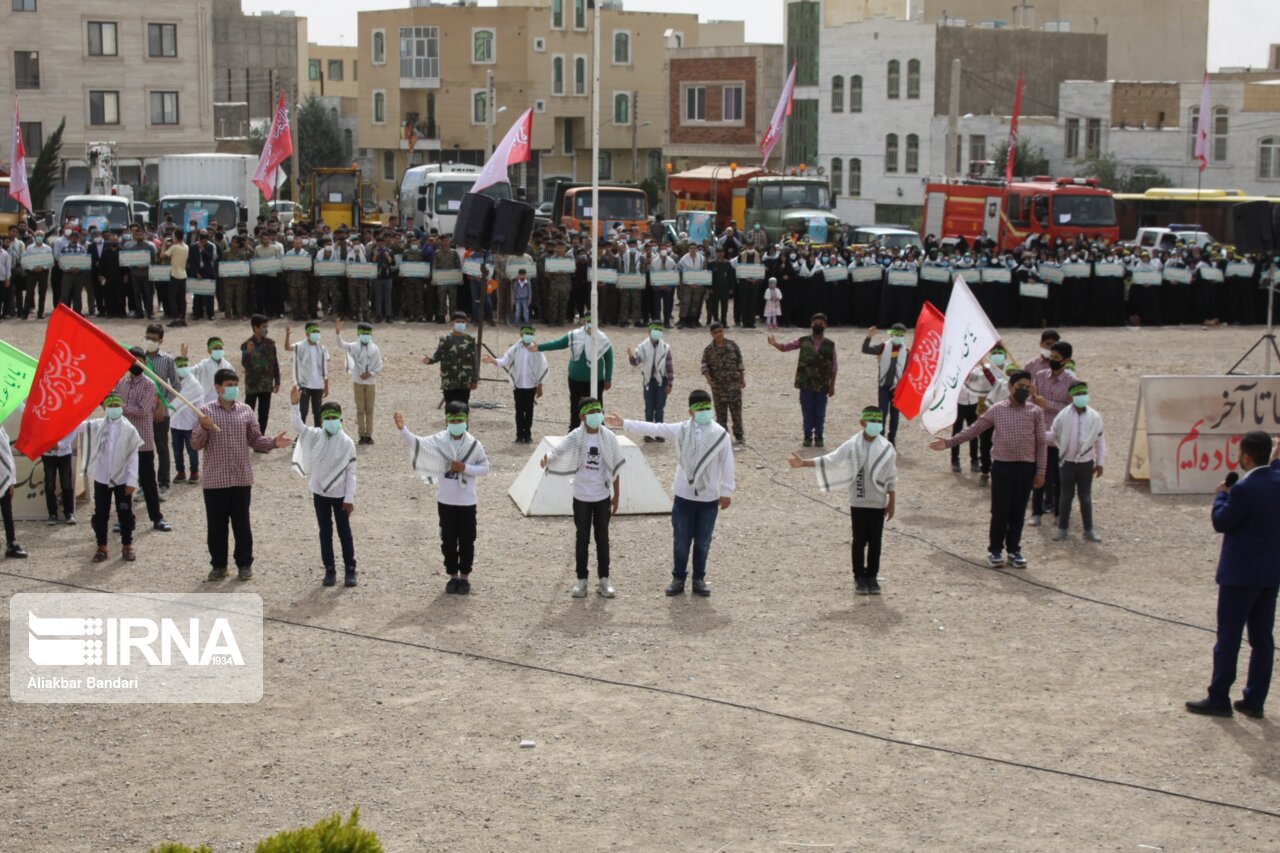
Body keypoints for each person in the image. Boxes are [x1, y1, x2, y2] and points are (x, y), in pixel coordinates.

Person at [605, 389, 735, 596]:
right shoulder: (682, 429)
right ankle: (678, 577)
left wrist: (727, 490)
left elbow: (728, 464)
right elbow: (657, 428)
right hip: (684, 494)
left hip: (709, 496)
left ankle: (699, 579)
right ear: (691, 412)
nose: (704, 412)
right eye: (700, 409)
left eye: (707, 408)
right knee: (681, 540)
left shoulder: (720, 434)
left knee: (702, 541)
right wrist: (624, 423)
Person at [1186, 433, 1280, 719]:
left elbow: (1221, 522)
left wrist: (1221, 496)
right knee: (1262, 639)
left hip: (1240, 575)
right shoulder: (1276, 479)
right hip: (1269, 573)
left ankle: (1219, 698)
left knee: (1228, 638)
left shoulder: (1244, 489)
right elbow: (1274, 466)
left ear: (1246, 457)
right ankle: (1254, 700)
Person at [929, 370, 1047, 569]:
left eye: (1027, 388)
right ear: (1010, 387)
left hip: (1026, 468)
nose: (1023, 391)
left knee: (1018, 511)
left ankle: (1014, 550)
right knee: (1000, 510)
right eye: (1020, 387)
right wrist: (949, 443)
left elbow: (1042, 443)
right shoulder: (997, 410)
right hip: (1002, 467)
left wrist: (1041, 471)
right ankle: (995, 550)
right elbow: (974, 429)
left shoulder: (1035, 412)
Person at [190, 368, 292, 581]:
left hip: (240, 478)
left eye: (235, 385)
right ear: (218, 388)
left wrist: (273, 442)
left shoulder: (245, 411)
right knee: (216, 527)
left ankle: (244, 564)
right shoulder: (205, 412)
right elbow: (195, 444)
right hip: (215, 480)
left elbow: (255, 439)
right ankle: (219, 565)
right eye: (229, 385)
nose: (233, 389)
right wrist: (203, 427)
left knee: (242, 524)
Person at [789, 405, 897, 594]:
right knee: (859, 540)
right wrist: (804, 463)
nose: (876, 426)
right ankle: (859, 578)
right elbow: (832, 459)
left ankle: (872, 576)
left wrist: (892, 503)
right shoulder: (853, 445)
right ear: (862, 423)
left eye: (879, 422)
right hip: (859, 501)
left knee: (876, 541)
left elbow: (891, 477)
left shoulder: (887, 447)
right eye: (872, 422)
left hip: (878, 502)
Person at [396, 402, 490, 595]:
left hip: (466, 501)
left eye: (460, 420)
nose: (456, 423)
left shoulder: (474, 444)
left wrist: (465, 468)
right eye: (453, 420)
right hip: (446, 501)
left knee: (466, 539)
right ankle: (452, 575)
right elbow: (418, 443)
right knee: (448, 540)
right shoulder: (439, 440)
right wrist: (403, 429)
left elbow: (485, 468)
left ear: (467, 420)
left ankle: (464, 576)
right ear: (447, 421)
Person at [541, 398, 622, 598]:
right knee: (582, 538)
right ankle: (582, 580)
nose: (596, 415)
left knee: (602, 538)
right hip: (582, 497)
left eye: (599, 410)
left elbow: (616, 467)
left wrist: (616, 495)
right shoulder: (577, 436)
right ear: (582, 416)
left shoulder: (609, 437)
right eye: (591, 411)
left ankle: (604, 579)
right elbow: (559, 450)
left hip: (602, 496)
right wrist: (547, 459)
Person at [290, 388, 358, 588]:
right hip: (319, 493)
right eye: (326, 417)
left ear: (341, 419)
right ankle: (330, 569)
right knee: (325, 532)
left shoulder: (347, 443)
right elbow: (298, 426)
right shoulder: (315, 435)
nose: (330, 420)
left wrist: (349, 498)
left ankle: (350, 569)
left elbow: (351, 473)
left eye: (334, 417)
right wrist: (295, 405)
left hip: (340, 496)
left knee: (344, 532)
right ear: (321, 419)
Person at [78, 395, 144, 563]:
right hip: (102, 478)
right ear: (104, 407)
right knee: (101, 514)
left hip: (122, 480)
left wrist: (131, 481)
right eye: (110, 405)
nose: (113, 408)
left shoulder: (129, 429)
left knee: (125, 513)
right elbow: (77, 427)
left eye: (116, 405)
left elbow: (133, 457)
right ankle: (102, 547)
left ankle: (127, 545)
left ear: (121, 406)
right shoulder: (97, 425)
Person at [113, 348, 172, 533]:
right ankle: (123, 518)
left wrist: (120, 406)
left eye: (139, 360)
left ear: (145, 363)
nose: (136, 363)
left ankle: (157, 518)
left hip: (142, 441)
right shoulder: (121, 383)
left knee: (148, 481)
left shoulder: (149, 385)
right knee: (123, 482)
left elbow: (143, 410)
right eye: (132, 360)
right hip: (123, 440)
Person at [532, 314, 614, 433]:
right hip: (576, 379)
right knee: (575, 405)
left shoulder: (602, 338)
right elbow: (558, 343)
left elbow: (609, 358)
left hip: (596, 380)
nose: (590, 324)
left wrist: (608, 378)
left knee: (596, 405)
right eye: (588, 321)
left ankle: (599, 429)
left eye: (593, 321)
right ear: (584, 322)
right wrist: (539, 347)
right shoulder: (575, 335)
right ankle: (574, 430)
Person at [769, 313, 837, 448]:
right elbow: (786, 347)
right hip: (805, 383)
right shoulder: (803, 340)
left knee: (820, 412)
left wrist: (832, 386)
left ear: (825, 326)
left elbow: (834, 367)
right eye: (816, 322)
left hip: (822, 384)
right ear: (811, 325)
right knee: (807, 411)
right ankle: (807, 436)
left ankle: (819, 436)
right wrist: (774, 344)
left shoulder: (830, 345)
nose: (818, 325)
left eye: (821, 323)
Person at [1049, 380, 1105, 543]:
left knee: (1085, 496)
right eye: (1078, 394)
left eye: (1084, 394)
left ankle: (1088, 530)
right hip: (1067, 463)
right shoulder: (1063, 415)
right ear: (1071, 396)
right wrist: (1037, 436)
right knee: (1066, 496)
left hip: (1086, 463)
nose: (1082, 397)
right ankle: (1062, 528)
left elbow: (1100, 440)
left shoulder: (1094, 417)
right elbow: (1054, 434)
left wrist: (1100, 462)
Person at [1030, 340, 1076, 526]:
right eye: (1051, 356)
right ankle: (1036, 512)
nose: (1052, 360)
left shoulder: (1072, 382)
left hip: (1059, 437)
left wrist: (1046, 404)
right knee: (1038, 475)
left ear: (1066, 360)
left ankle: (1059, 512)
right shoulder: (1040, 376)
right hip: (1040, 434)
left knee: (1058, 478)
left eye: (1056, 358)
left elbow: (1071, 407)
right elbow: (1033, 401)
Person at [482, 325, 548, 444]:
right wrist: (493, 360)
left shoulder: (536, 349)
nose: (529, 336)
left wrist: (540, 385)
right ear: (521, 335)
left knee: (529, 411)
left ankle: (527, 434)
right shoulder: (515, 348)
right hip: (518, 385)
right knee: (519, 410)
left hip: (531, 385)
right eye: (526, 333)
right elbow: (505, 361)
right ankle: (519, 435)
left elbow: (542, 367)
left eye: (531, 333)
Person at [143, 324, 180, 501]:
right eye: (148, 337)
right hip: (141, 413)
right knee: (142, 450)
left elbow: (176, 385)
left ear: (161, 340)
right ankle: (143, 485)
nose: (150, 341)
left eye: (154, 339)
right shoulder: (138, 358)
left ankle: (163, 484)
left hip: (160, 413)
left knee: (162, 448)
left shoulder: (167, 359)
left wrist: (163, 405)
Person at [333, 319, 384, 445]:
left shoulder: (375, 349)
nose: (365, 336)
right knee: (360, 409)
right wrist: (338, 332)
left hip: (370, 382)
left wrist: (370, 374)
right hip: (358, 381)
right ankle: (362, 435)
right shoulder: (354, 347)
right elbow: (341, 345)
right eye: (363, 333)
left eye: (368, 334)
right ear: (358, 334)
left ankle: (369, 434)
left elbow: (379, 365)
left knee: (370, 409)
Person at [699, 322, 746, 444]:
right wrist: (709, 380)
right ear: (711, 334)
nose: (718, 334)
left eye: (720, 331)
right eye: (715, 332)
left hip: (733, 385)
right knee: (721, 414)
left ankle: (739, 435)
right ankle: (723, 438)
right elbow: (704, 366)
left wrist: (742, 378)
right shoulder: (709, 350)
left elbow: (740, 362)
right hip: (718, 387)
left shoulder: (732, 345)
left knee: (736, 412)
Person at [862, 324, 908, 444]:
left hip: (897, 388)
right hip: (884, 386)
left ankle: (892, 438)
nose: (898, 337)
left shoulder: (906, 352)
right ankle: (880, 438)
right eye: (896, 334)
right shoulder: (883, 347)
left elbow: (907, 370)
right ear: (891, 334)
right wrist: (869, 337)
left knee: (895, 414)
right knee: (882, 413)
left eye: (901, 335)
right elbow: (865, 349)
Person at [423, 310, 479, 407]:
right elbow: (438, 355)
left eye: (463, 322)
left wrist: (474, 380)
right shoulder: (445, 340)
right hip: (449, 380)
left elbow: (475, 361)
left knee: (463, 407)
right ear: (452, 322)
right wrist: (430, 361)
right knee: (450, 407)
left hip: (465, 380)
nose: (460, 324)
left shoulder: (470, 340)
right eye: (457, 321)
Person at [628, 322, 674, 440]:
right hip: (649, 381)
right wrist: (631, 356)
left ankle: (659, 433)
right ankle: (648, 433)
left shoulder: (665, 348)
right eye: (655, 329)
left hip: (661, 381)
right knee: (649, 407)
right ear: (649, 331)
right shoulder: (643, 346)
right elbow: (636, 362)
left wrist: (669, 384)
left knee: (659, 407)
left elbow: (669, 367)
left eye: (659, 329)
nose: (657, 332)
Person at [239, 315, 282, 434]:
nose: (266, 329)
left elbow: (275, 363)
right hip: (252, 385)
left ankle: (260, 437)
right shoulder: (246, 345)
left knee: (264, 414)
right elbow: (245, 364)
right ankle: (247, 437)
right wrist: (248, 353)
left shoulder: (270, 344)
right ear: (255, 328)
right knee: (248, 413)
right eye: (263, 326)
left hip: (266, 385)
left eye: (266, 326)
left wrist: (277, 381)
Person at [284, 322, 331, 427]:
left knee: (318, 412)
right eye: (314, 331)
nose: (316, 334)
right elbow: (287, 348)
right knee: (303, 411)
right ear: (307, 333)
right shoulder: (300, 346)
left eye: (317, 331)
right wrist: (287, 335)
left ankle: (318, 434)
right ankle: (301, 435)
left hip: (318, 385)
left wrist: (326, 385)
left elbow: (325, 367)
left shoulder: (322, 349)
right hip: (304, 385)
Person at [169, 355, 205, 484]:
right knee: (177, 451)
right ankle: (180, 472)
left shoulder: (194, 384)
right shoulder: (170, 383)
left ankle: (194, 472)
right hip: (175, 423)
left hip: (190, 424)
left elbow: (200, 405)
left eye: (185, 365)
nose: (183, 368)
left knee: (192, 450)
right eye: (180, 366)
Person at [42, 431, 77, 525]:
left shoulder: (65, 416)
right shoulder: (42, 416)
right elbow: (38, 431)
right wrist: (44, 445)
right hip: (47, 454)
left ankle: (69, 513)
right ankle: (52, 514)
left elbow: (73, 430)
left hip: (64, 453)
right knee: (49, 485)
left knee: (66, 483)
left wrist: (59, 445)